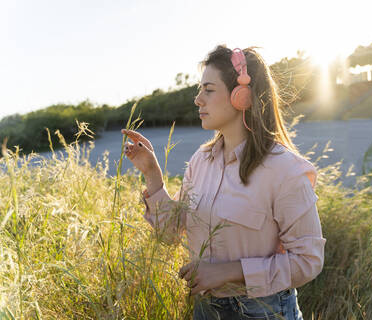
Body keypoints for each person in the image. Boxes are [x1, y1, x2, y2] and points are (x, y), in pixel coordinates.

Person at [122, 45, 326, 320]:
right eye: (199, 89)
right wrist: (152, 174)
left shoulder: (285, 169)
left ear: (241, 95)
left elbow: (308, 261)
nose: (197, 99)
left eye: (208, 89)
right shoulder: (201, 161)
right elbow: (170, 234)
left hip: (262, 311)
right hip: (205, 309)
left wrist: (230, 271)